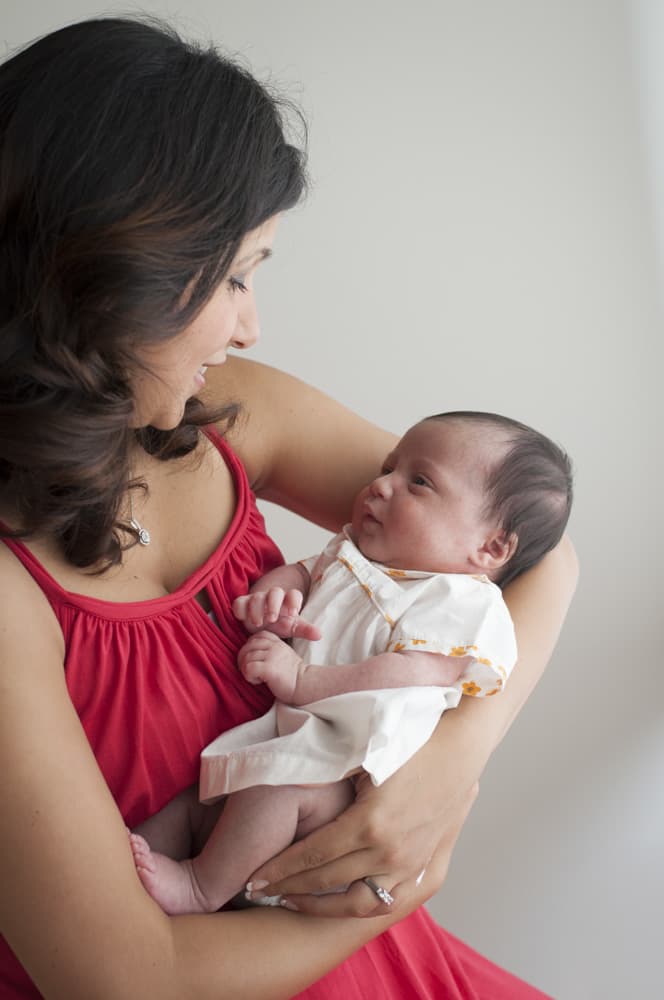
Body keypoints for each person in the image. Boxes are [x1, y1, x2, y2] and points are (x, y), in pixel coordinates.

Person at [0, 15, 578, 1000]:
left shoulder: (233, 414)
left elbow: (531, 556)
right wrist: (401, 881)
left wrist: (447, 768)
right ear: (101, 275)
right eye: (232, 276)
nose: (252, 323)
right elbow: (125, 979)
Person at [129, 410, 572, 916]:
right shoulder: (355, 553)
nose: (381, 485)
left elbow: (412, 672)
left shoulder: (463, 602)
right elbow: (300, 574)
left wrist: (303, 679)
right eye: (388, 467)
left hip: (344, 779)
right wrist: (272, 598)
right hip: (299, 738)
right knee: (199, 797)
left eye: (419, 482)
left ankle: (199, 887)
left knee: (275, 791)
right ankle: (124, 861)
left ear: (490, 546)